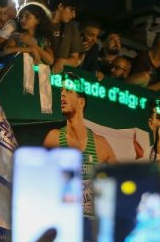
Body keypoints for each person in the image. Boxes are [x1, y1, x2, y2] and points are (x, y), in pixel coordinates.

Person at [43, 74, 118, 213]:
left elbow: (121, 181)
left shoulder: (99, 143)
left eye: (68, 91)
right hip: (64, 221)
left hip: (91, 226)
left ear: (81, 102)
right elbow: (40, 181)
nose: (62, 95)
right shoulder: (54, 138)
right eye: (61, 91)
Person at [50, 0, 82, 73]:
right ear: (60, 6)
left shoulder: (72, 29)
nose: (74, 15)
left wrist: (62, 61)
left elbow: (75, 60)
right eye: (71, 10)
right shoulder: (41, 23)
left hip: (59, 79)